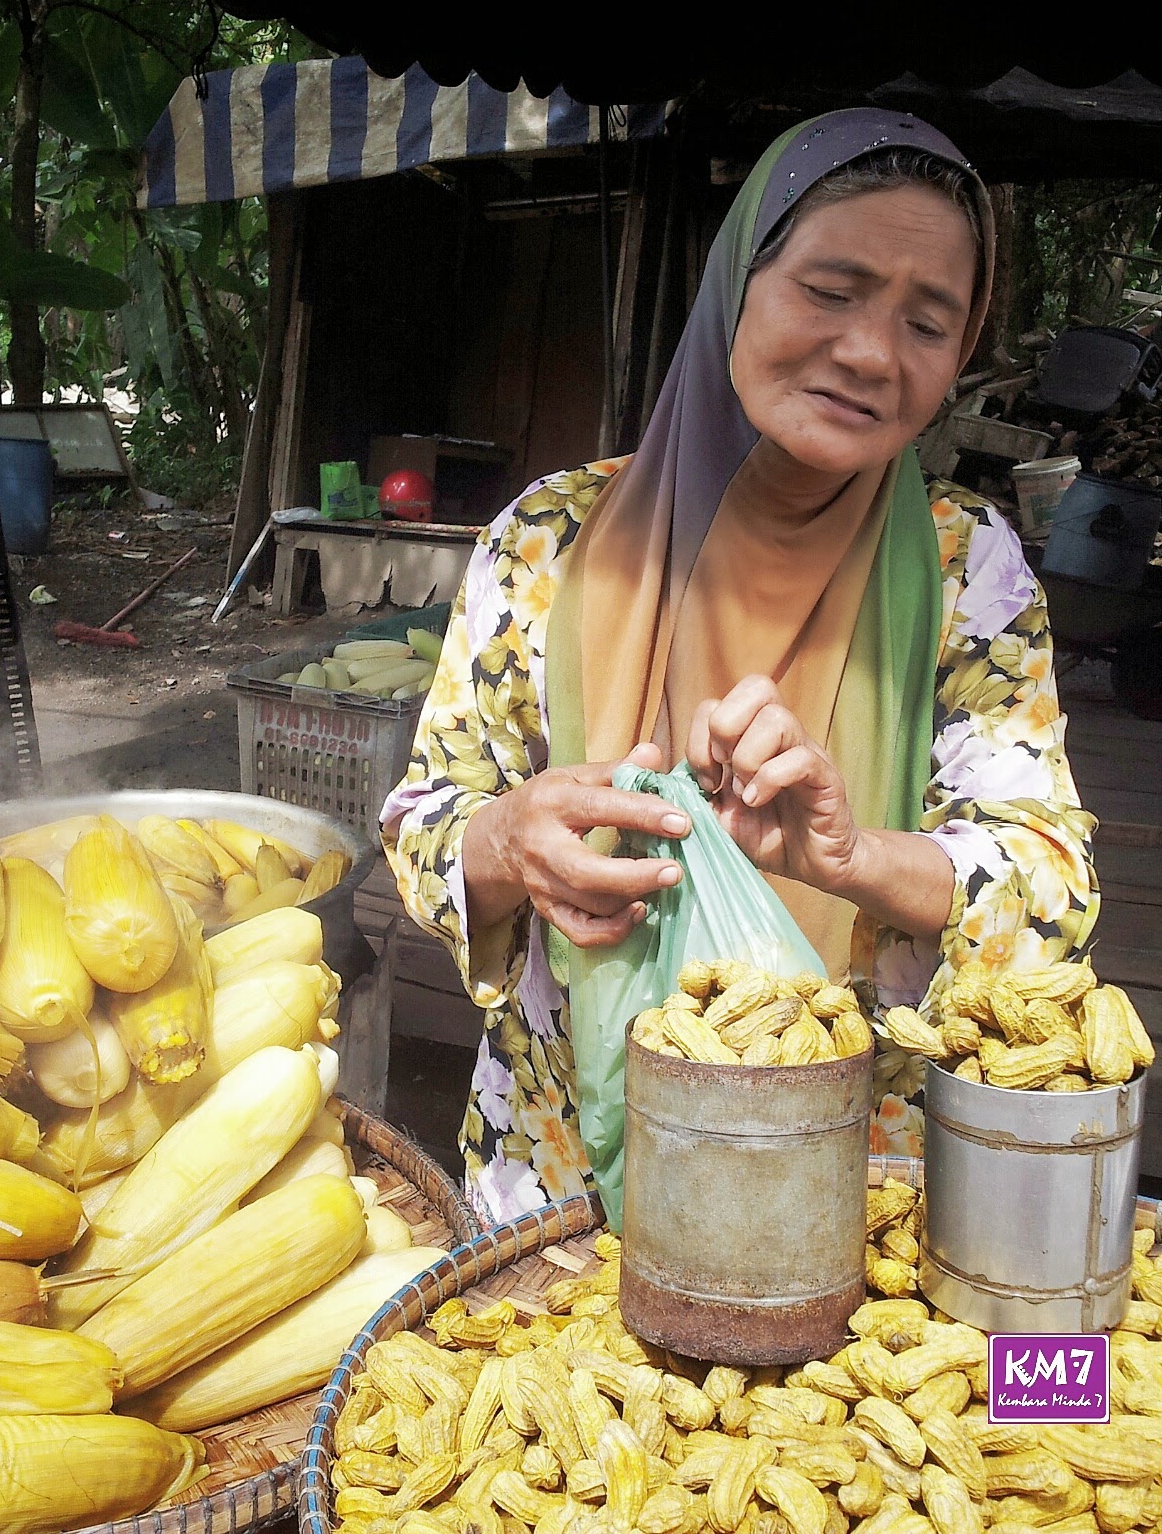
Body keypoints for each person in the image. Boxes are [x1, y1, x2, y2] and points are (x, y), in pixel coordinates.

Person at [380, 109, 1099, 1227]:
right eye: (830, 288)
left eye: (928, 322)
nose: (870, 353)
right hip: (560, 1181)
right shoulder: (551, 542)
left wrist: (859, 857)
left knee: (1014, 1400)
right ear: (737, 288)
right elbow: (426, 819)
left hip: (853, 1205)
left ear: (960, 358)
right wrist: (506, 840)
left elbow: (1052, 889)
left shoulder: (969, 573)